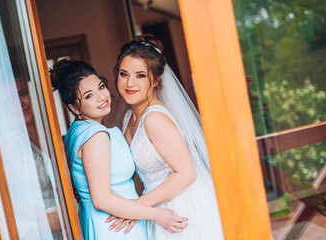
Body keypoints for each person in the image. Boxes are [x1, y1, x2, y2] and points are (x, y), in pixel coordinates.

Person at [50, 59, 188, 240]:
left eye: (101, 87)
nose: (101, 97)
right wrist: (156, 214)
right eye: (89, 96)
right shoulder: (95, 135)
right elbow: (101, 199)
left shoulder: (76, 131)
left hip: (105, 221)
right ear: (74, 107)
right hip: (114, 226)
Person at [108, 35, 224, 239]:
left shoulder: (154, 119)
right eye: (124, 74)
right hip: (156, 207)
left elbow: (187, 173)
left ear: (155, 80)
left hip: (183, 207)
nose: (129, 83)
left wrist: (135, 208)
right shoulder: (129, 116)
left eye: (140, 75)